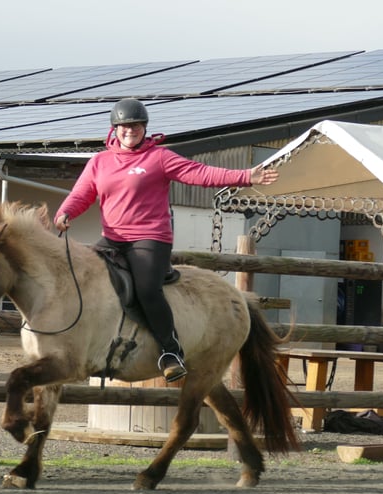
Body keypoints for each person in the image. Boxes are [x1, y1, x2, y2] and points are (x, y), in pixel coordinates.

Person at [54, 98, 279, 383]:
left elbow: (200, 173)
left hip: (150, 238)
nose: (129, 131)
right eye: (124, 126)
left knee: (147, 290)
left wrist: (245, 176)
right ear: (114, 129)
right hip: (112, 239)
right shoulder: (100, 162)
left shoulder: (159, 157)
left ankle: (170, 351)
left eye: (135, 126)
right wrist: (65, 212)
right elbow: (82, 193)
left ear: (144, 129)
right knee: (86, 278)